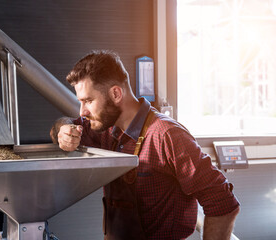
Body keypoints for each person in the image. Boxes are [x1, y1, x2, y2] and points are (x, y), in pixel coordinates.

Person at [50, 50, 240, 240]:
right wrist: (64, 129)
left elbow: (222, 202)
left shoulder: (167, 135)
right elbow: (64, 125)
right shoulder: (106, 128)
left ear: (116, 94)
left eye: (88, 101)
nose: (82, 111)